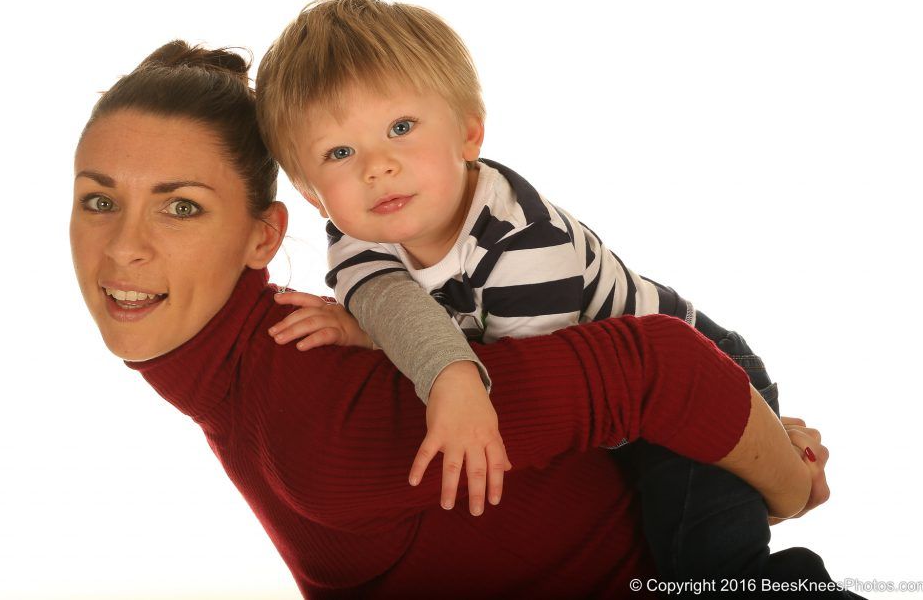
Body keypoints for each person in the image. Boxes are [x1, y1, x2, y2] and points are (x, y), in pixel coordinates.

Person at [70, 41, 854, 598]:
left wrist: (785, 480)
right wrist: (369, 326)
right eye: (99, 200)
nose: (124, 248)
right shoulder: (320, 298)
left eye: (180, 207)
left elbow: (656, 366)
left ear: (265, 236)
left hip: (694, 382)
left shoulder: (318, 411)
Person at [253, 0, 802, 580]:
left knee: (709, 568)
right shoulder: (356, 232)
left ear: (468, 134)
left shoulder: (523, 242)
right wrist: (365, 326)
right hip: (612, 412)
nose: (377, 166)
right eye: (340, 153)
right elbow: (389, 302)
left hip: (697, 376)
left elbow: (530, 394)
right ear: (312, 194)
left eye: (401, 127)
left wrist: (399, 347)